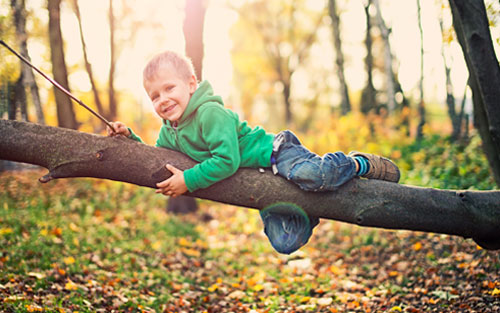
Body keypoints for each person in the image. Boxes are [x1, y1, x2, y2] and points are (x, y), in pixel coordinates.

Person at [108, 50, 401, 254]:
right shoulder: (169, 130)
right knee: (285, 242)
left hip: (275, 154)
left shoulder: (209, 113)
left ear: (191, 85)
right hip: (261, 183)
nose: (163, 99)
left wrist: (189, 181)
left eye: (169, 88)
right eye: (155, 96)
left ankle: (359, 164)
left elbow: (227, 160)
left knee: (313, 174)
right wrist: (129, 138)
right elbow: (159, 157)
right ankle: (309, 209)